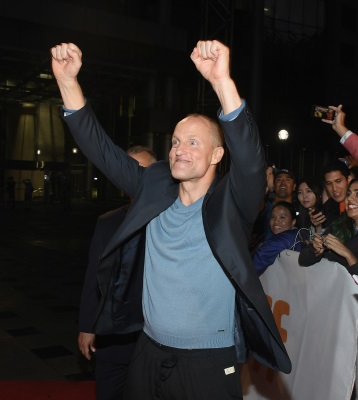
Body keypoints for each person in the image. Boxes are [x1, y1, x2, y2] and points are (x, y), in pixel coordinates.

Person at [51, 39, 290, 399]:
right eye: (177, 141)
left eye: (194, 143)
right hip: (147, 351)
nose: (180, 149)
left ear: (216, 155)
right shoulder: (154, 185)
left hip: (208, 362)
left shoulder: (232, 202)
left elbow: (252, 162)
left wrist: (221, 81)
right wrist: (68, 82)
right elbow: (103, 152)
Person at [78, 145, 156, 400]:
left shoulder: (172, 219)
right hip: (115, 338)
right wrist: (87, 326)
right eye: (128, 170)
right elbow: (94, 279)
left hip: (156, 337)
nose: (135, 177)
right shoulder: (107, 222)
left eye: (142, 170)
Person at [299, 175, 358, 278]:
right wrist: (316, 249)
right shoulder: (340, 225)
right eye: (348, 194)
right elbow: (303, 260)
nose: (349, 198)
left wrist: (347, 254)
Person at [253, 201, 302, 276]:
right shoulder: (293, 235)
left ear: (293, 222)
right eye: (273, 217)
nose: (276, 221)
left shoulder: (287, 237)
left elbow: (261, 256)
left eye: (282, 217)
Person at [309, 159, 351, 232]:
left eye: (338, 181)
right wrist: (318, 225)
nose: (334, 188)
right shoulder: (329, 207)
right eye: (329, 183)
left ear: (349, 179)